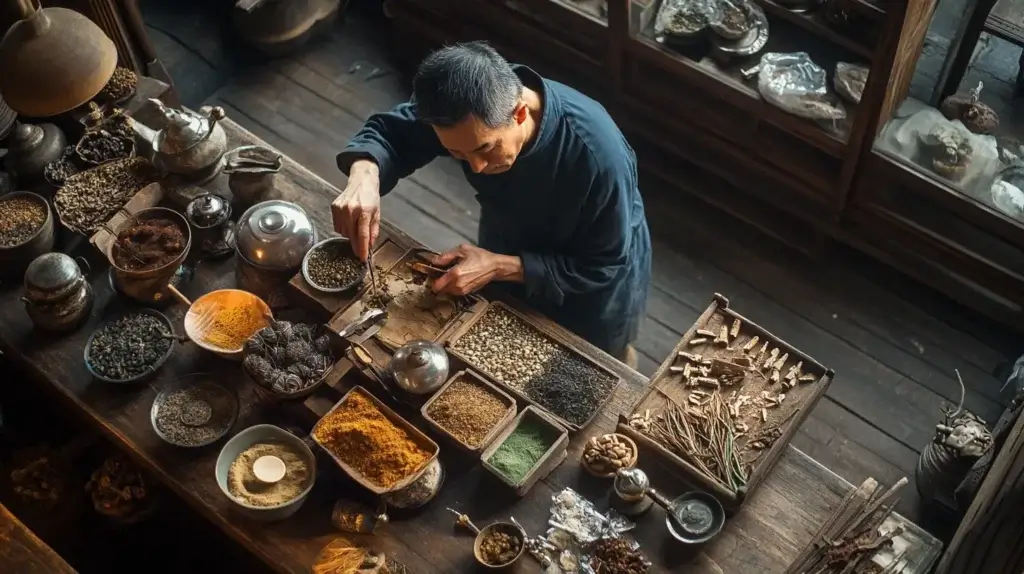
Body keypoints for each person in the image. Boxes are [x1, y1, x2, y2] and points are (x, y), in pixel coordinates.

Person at [332, 41, 651, 366]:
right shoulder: (462, 109)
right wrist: (364, 177)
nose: (476, 167)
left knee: (596, 360)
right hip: (506, 234)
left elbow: (602, 263)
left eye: (486, 148)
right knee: (507, 337)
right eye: (457, 153)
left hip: (590, 276)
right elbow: (392, 135)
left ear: (520, 113)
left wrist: (499, 265)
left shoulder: (598, 157)